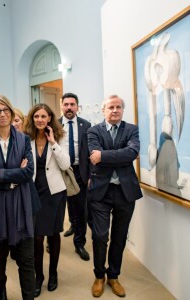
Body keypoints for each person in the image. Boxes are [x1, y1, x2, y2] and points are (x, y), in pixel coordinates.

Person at [0, 95, 35, 300]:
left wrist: (0, 174)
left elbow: (28, 172)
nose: (2, 114)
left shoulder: (24, 139)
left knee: (26, 260)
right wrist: (11, 180)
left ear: (11, 112)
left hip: (21, 205)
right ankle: (0, 288)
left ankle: (28, 295)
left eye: (5, 110)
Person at [87, 94, 142, 297]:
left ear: (122, 110)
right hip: (101, 191)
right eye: (111, 107)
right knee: (100, 236)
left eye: (119, 107)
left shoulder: (131, 129)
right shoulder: (94, 131)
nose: (115, 110)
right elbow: (95, 156)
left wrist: (104, 156)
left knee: (119, 237)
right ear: (104, 110)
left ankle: (113, 276)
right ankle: (99, 275)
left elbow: (133, 152)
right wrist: (124, 155)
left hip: (125, 192)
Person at [24, 103, 70, 297]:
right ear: (32, 119)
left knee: (53, 234)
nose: (40, 120)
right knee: (36, 237)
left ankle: (53, 274)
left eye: (44, 116)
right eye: (37, 117)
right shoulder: (27, 139)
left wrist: (53, 142)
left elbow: (66, 163)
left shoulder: (60, 136)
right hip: (34, 192)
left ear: (50, 118)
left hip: (55, 193)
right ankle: (39, 276)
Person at [60, 92, 91, 261]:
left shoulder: (86, 125)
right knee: (63, 204)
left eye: (72, 104)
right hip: (60, 172)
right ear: (62, 106)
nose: (69, 107)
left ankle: (79, 243)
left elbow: (90, 151)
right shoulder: (54, 125)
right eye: (66, 104)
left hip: (79, 171)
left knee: (81, 208)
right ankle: (67, 228)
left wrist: (90, 174)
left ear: (77, 107)